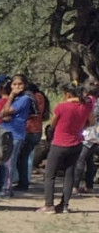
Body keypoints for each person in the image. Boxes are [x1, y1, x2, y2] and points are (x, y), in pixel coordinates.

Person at [37, 83, 87, 215]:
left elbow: (53, 123)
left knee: (50, 175)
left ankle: (49, 205)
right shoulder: (85, 106)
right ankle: (64, 205)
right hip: (76, 142)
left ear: (67, 94)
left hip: (60, 143)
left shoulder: (62, 106)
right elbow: (92, 122)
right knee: (69, 174)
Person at [0, 74, 37, 193]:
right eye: (14, 84)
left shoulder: (24, 99)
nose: (17, 87)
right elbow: (1, 114)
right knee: (4, 161)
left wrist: (10, 96)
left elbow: (6, 111)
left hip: (16, 134)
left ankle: (7, 188)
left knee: (10, 162)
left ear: (25, 85)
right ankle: (3, 185)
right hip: (7, 131)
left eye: (20, 84)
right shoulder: (16, 98)